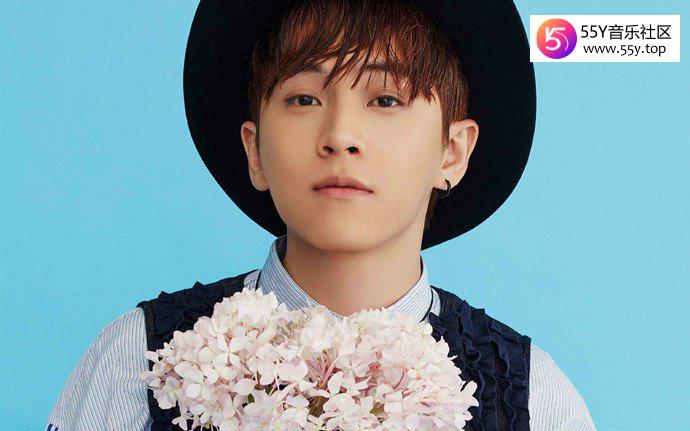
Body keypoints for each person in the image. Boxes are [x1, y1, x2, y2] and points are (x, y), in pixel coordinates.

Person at [47, 1, 596, 430]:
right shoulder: (141, 358)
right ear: (255, 150)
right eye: (304, 99)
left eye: (385, 100)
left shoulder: (531, 395)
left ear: (451, 152)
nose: (339, 137)